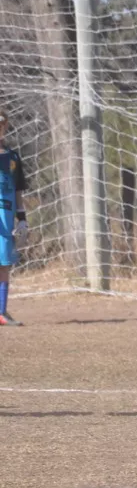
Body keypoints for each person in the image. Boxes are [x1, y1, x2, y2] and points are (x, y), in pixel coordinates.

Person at [0, 110, 29, 327]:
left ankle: (1, 312)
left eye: (2, 123)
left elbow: (18, 191)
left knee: (4, 264)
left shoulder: (13, 157)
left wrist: (22, 219)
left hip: (6, 219)